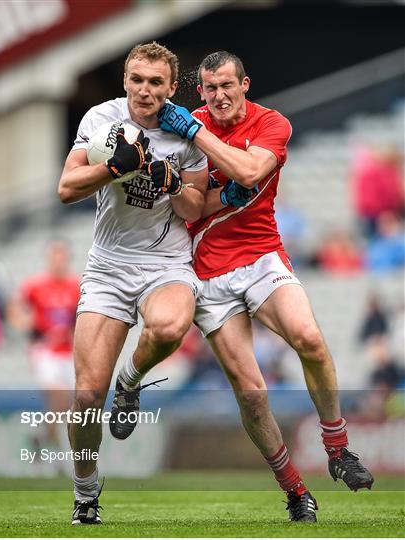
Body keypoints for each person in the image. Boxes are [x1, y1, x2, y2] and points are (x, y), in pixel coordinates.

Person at [154, 51, 374, 522]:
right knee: (251, 393)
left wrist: (196, 135)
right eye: (210, 89)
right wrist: (213, 191)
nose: (219, 96)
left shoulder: (271, 123)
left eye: (227, 86)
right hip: (207, 271)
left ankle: (338, 449)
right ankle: (295, 491)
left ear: (245, 84)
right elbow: (186, 208)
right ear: (201, 92)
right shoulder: (184, 126)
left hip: (260, 256)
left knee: (310, 339)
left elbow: (251, 174)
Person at [58, 42, 208, 525]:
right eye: (137, 79)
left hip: (166, 263)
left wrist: (171, 183)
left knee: (167, 329)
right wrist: (114, 168)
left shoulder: (185, 132)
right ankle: (85, 494)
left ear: (170, 88)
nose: (145, 90)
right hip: (108, 266)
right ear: (125, 79)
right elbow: (66, 189)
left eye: (155, 82)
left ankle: (131, 381)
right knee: (84, 396)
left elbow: (195, 208)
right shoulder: (100, 119)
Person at [7, 240, 79, 452]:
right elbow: (14, 308)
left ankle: (44, 440)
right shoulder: (36, 285)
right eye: (54, 257)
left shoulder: (75, 286)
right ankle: (56, 451)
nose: (58, 261)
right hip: (45, 352)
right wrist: (26, 327)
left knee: (66, 406)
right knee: (60, 395)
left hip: (67, 351)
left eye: (61, 257)